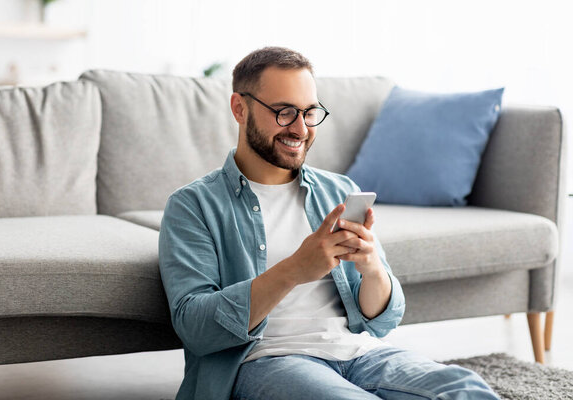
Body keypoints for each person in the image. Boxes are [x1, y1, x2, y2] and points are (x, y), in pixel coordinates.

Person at [158, 46, 499, 400]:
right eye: (284, 112)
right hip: (267, 360)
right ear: (240, 108)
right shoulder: (194, 205)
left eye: (309, 112)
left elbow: (381, 321)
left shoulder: (339, 190)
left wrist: (371, 269)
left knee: (466, 388)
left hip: (357, 352)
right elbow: (195, 327)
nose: (300, 128)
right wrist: (294, 269)